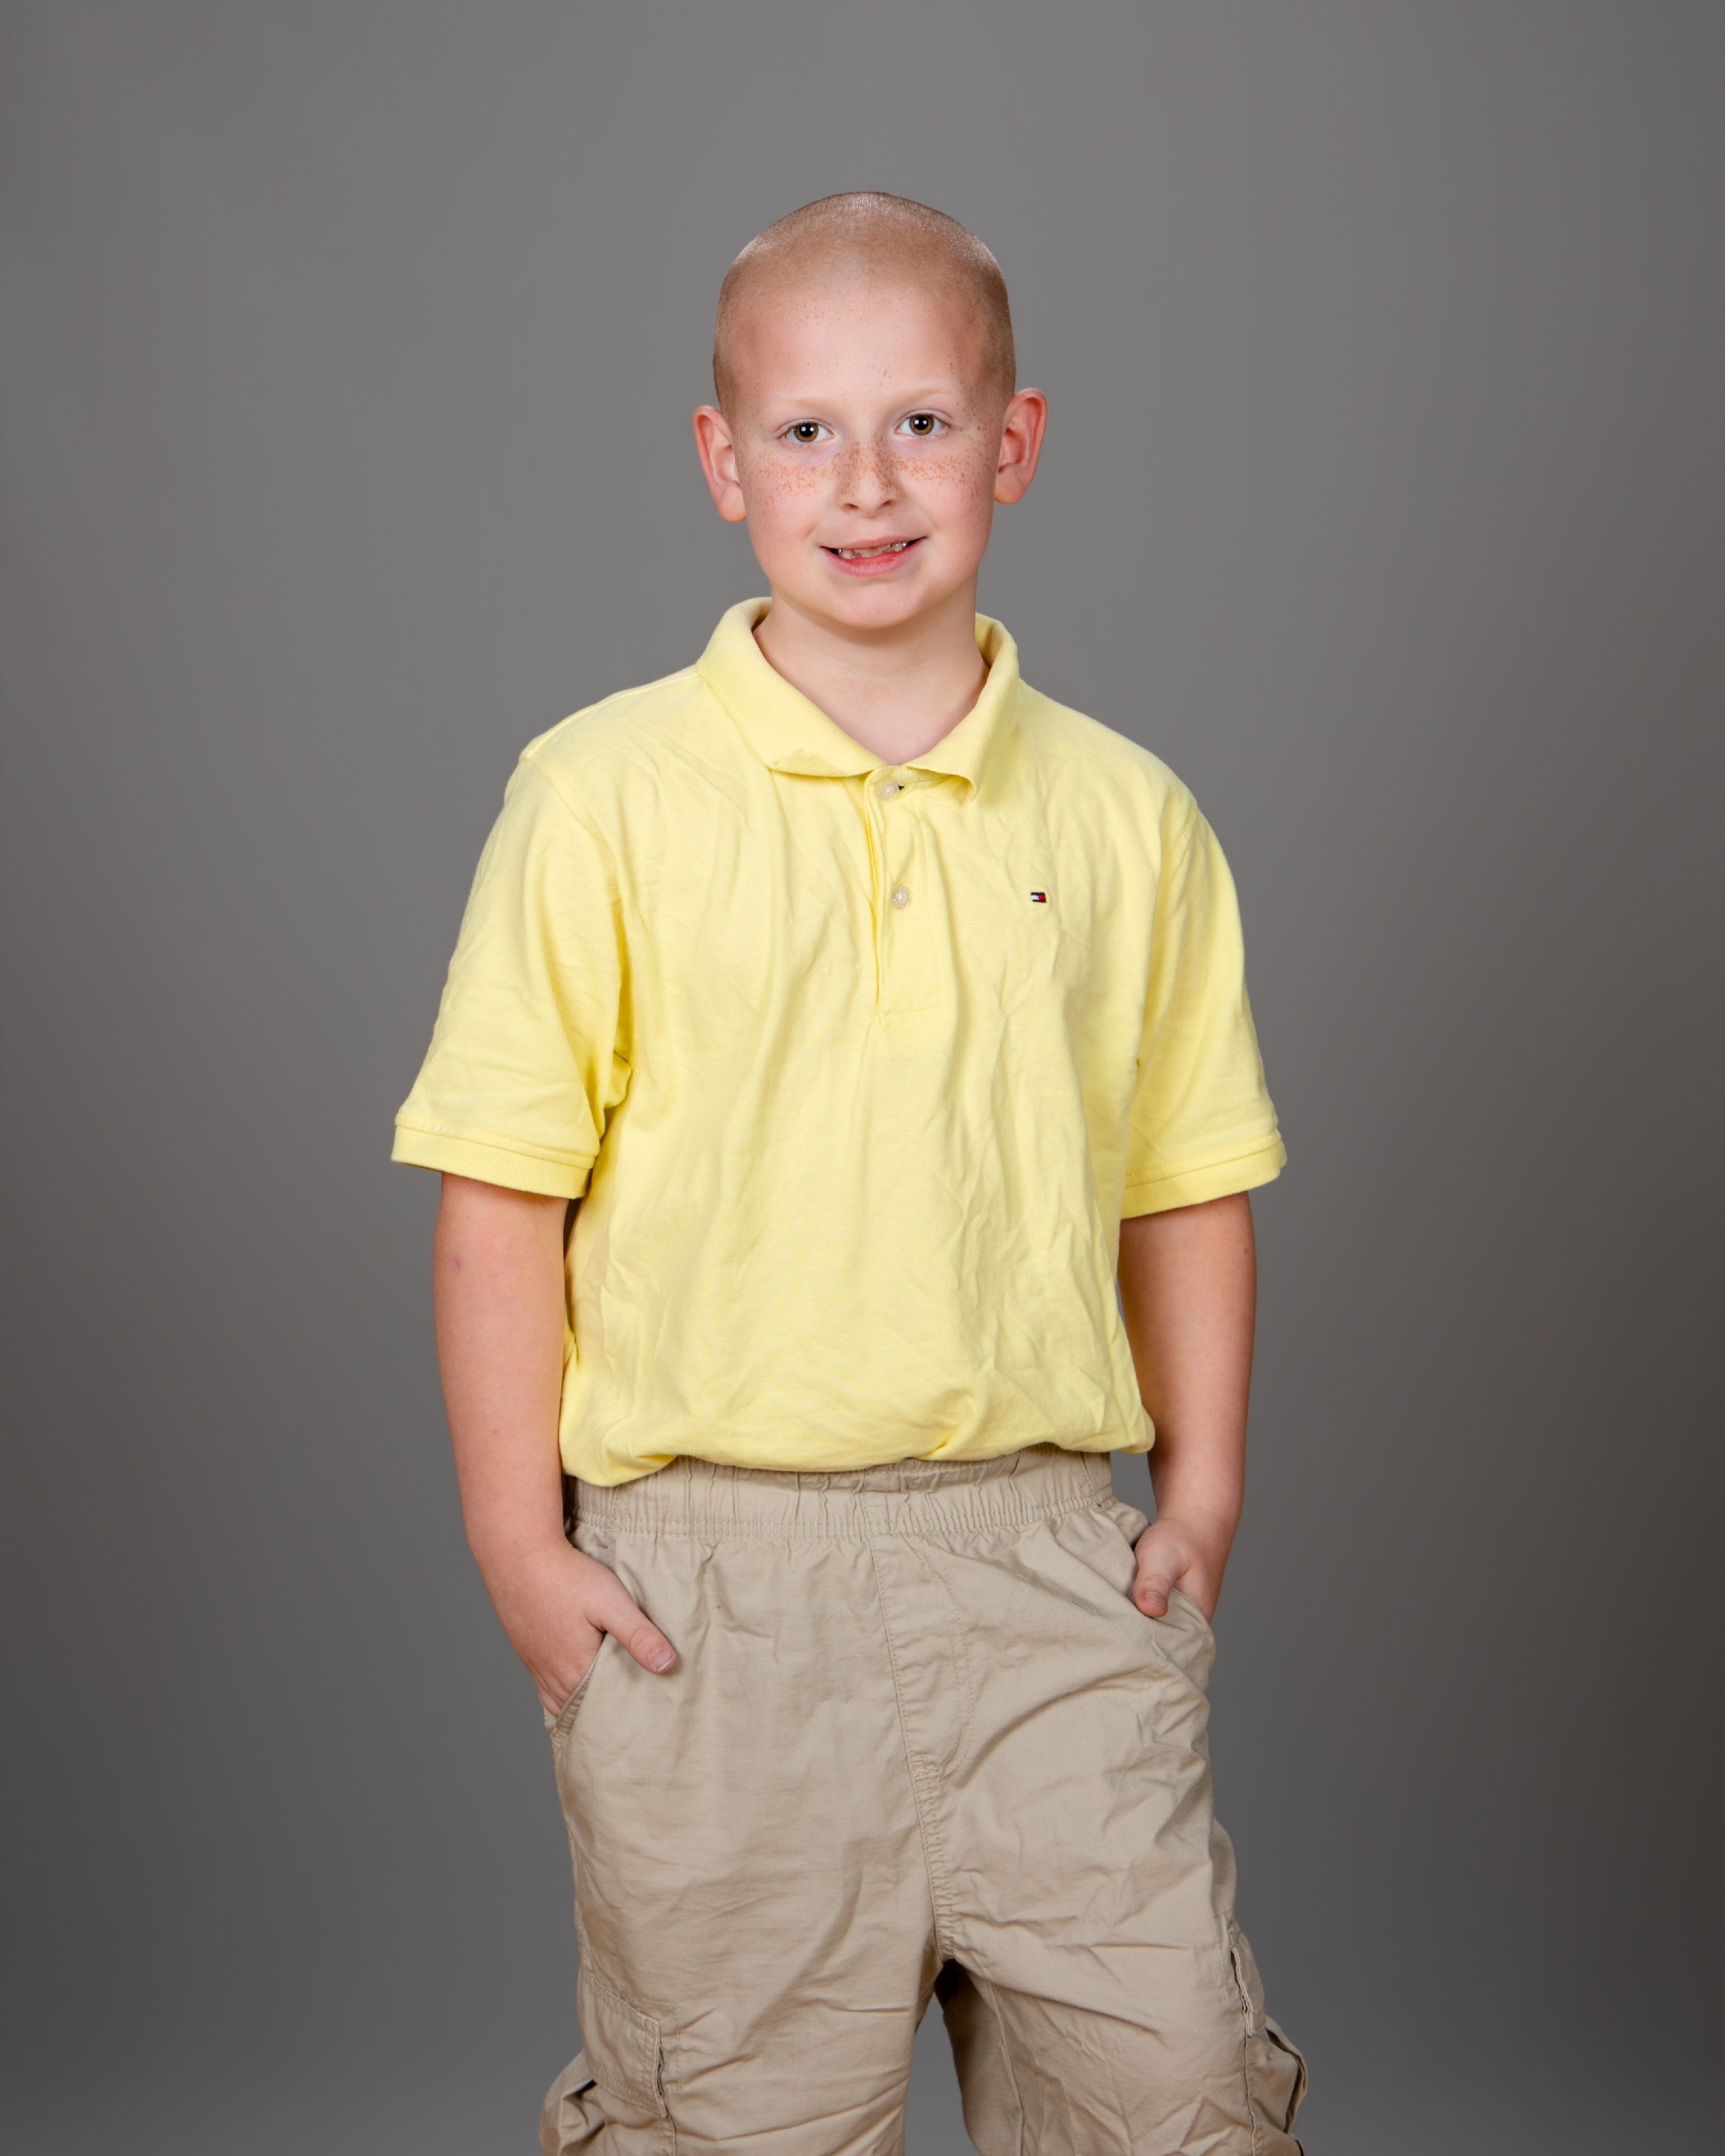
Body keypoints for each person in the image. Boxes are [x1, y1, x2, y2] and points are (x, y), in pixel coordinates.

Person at [394, 191, 1307, 2155]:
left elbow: (1184, 1181)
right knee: (739, 2117)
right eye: (807, 429)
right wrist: (516, 1542)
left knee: (1175, 2093)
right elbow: (501, 1194)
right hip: (713, 1589)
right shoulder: (601, 794)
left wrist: (1207, 1486)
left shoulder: (1130, 814)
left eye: (922, 422)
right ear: (723, 461)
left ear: (1014, 441)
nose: (867, 482)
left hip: (1044, 1553)